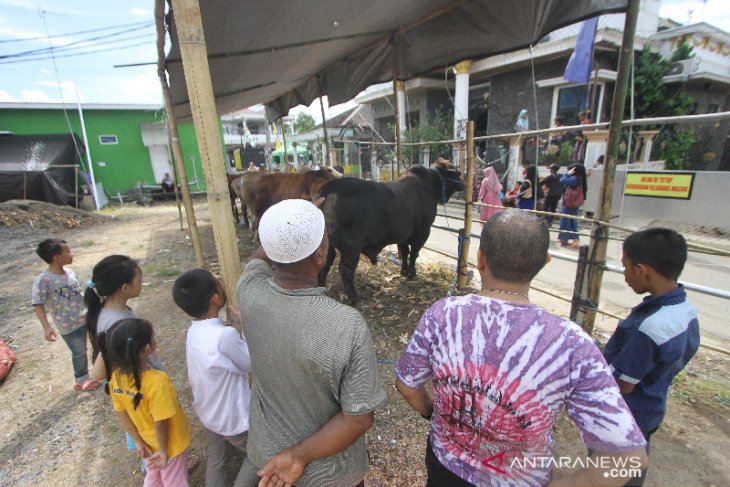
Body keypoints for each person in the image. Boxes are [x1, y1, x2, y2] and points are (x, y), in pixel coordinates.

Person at [395, 209, 648, 487]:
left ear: (480, 259)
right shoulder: (572, 344)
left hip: (444, 467)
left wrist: (431, 413)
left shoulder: (442, 315)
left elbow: (407, 385)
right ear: (545, 262)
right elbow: (629, 458)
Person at [236, 198, 385, 487]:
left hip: (267, 457)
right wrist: (298, 456)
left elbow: (258, 259)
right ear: (320, 256)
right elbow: (358, 419)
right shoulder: (346, 324)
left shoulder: (249, 290)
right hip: (330, 473)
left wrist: (285, 224)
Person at [603, 228, 700, 486]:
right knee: (636, 460)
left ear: (642, 270)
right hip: (653, 405)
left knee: (612, 473)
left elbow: (624, 384)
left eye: (625, 266)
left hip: (626, 415)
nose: (624, 274)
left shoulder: (649, 328)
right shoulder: (686, 311)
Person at [173, 269, 252, 487]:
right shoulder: (224, 336)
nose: (223, 285)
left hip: (209, 414)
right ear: (215, 298)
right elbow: (249, 363)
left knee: (217, 461)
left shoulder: (195, 331)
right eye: (219, 283)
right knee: (259, 456)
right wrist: (243, 326)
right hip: (234, 421)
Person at [99, 318, 191, 487]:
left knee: (153, 479)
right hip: (170, 444)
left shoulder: (116, 379)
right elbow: (161, 421)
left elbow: (121, 412)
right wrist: (163, 450)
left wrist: (138, 441)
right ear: (147, 348)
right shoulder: (157, 381)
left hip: (147, 443)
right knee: (174, 481)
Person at [32, 238, 99, 391]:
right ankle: (82, 380)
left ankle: (99, 371)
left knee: (97, 342)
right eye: (67, 252)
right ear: (57, 257)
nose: (71, 254)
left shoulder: (69, 272)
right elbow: (38, 303)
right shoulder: (43, 280)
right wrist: (46, 327)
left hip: (86, 317)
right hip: (69, 325)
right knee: (79, 352)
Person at [558, 163, 588, 248]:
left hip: (570, 203)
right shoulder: (580, 179)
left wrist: (567, 174)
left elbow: (562, 180)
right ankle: (564, 238)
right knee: (567, 220)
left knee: (569, 221)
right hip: (572, 203)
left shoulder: (575, 179)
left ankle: (575, 239)